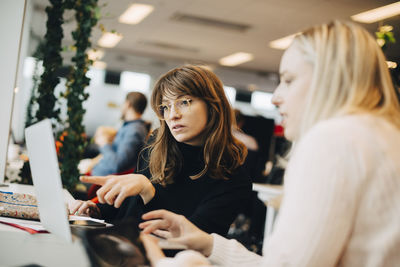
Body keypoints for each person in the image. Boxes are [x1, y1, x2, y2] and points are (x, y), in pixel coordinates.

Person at [138, 20, 400, 266]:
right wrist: (208, 244)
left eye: (288, 80)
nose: (275, 97)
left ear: (331, 79)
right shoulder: (383, 137)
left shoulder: (333, 139)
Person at [69, 65, 252, 236]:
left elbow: (189, 241)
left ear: (213, 106)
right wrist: (98, 211)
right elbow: (129, 208)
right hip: (118, 249)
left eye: (184, 102)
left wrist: (149, 193)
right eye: (165, 106)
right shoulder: (156, 146)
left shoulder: (234, 178)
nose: (172, 115)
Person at [82, 91, 149, 176]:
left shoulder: (133, 131)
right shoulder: (130, 126)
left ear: (127, 104)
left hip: (101, 178)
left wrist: (104, 144)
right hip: (98, 171)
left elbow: (116, 165)